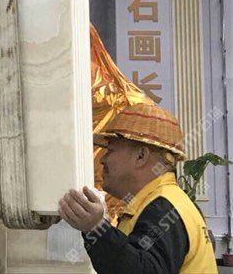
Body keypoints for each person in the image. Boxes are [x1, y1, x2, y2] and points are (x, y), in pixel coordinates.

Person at [58, 104, 217, 273]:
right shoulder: (168, 203)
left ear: (141, 156)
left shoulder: (163, 208)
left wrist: (97, 228)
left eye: (110, 150)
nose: (103, 160)